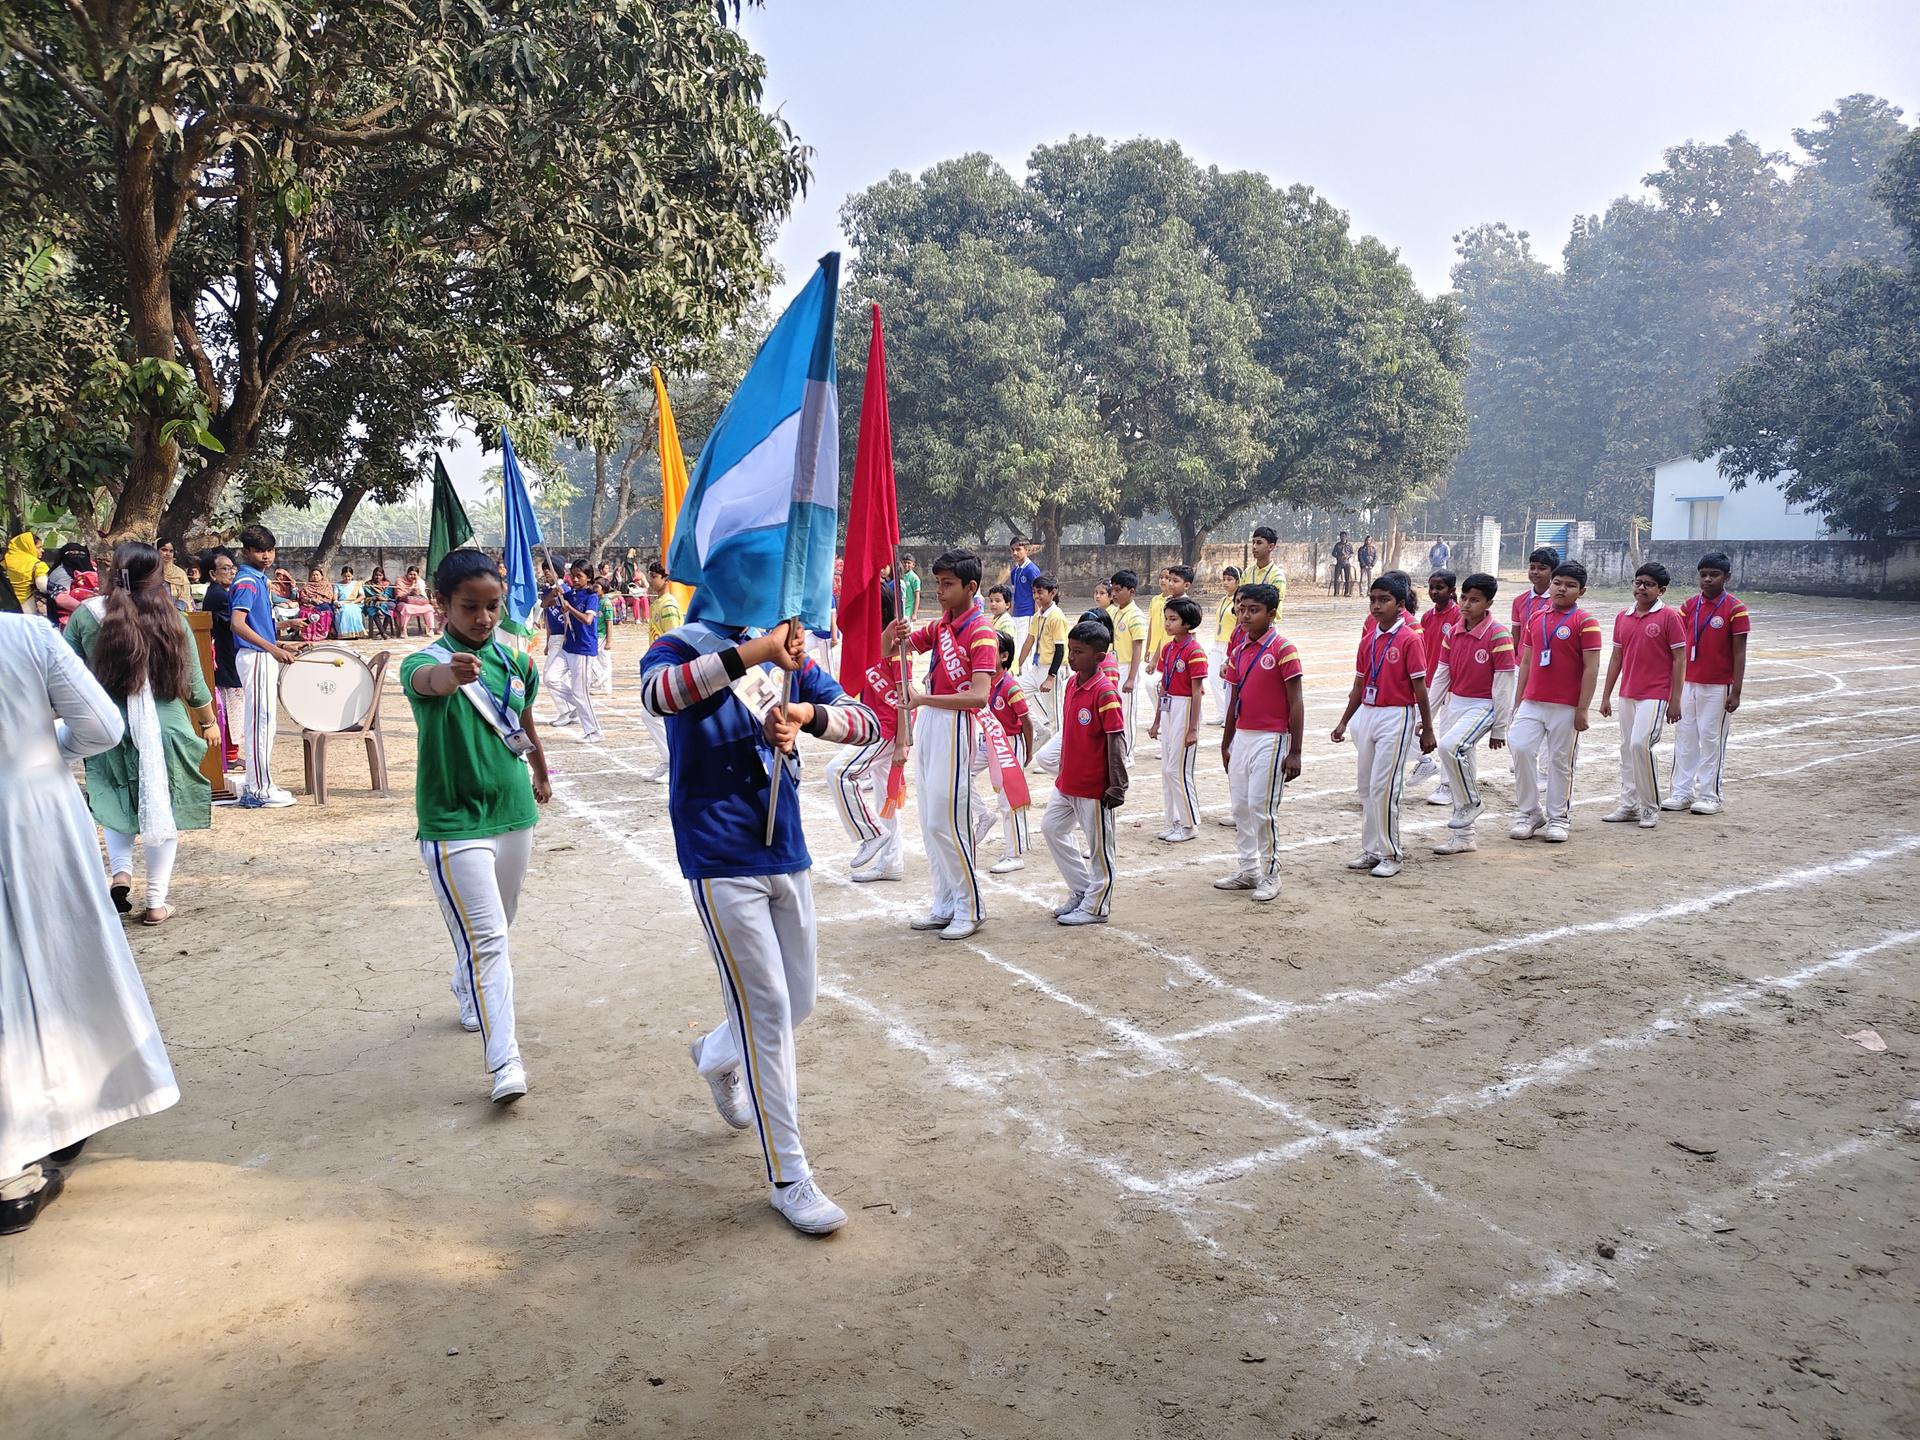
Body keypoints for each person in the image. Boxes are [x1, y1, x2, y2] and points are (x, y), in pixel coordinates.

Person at [640, 603, 880, 1237]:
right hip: (719, 853)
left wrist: (805, 715)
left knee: (798, 1000)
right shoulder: (679, 646)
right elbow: (660, 695)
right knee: (769, 1010)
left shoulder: (789, 653)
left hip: (785, 845)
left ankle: (718, 1052)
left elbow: (866, 722)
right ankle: (788, 1176)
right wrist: (758, 653)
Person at [0, 606, 178, 1236]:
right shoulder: (25, 634)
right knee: (59, 959)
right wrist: (44, 746)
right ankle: (52, 1127)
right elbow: (101, 725)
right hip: (33, 811)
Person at [402, 549, 553, 1106]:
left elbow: (524, 718)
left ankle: (464, 982)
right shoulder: (422, 662)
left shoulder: (516, 663)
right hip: (453, 824)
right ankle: (506, 1062)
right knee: (488, 940)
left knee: (498, 925)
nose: (484, 618)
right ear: (442, 604)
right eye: (470, 606)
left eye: (493, 606)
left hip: (514, 813)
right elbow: (430, 682)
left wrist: (540, 770)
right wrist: (451, 675)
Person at [66, 541, 218, 925]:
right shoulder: (173, 618)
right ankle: (155, 902)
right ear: (157, 576)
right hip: (168, 729)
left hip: (109, 727)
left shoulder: (87, 616)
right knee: (162, 806)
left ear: (114, 571)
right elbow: (194, 683)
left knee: (118, 802)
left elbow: (67, 673)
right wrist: (209, 722)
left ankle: (121, 873)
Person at [891, 549, 996, 941]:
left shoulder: (981, 631)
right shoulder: (941, 626)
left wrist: (923, 699)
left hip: (955, 724)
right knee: (929, 821)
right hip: (931, 721)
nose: (939, 590)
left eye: (947, 584)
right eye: (937, 582)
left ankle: (970, 907)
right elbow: (889, 650)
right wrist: (894, 630)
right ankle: (945, 903)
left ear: (971, 587)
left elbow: (979, 696)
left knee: (946, 821)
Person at [1330, 573, 1437, 877]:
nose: (1376, 606)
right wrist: (1344, 721)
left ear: (1400, 605)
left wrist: (1427, 727)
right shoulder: (1368, 641)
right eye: (1372, 600)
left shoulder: (1410, 639)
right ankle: (1371, 849)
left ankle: (1391, 853)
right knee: (1366, 786)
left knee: (1384, 787)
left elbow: (1419, 688)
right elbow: (1359, 685)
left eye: (1384, 600)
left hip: (1396, 715)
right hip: (1369, 712)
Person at [1215, 583, 1303, 899]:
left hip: (1272, 737)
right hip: (1243, 736)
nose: (1245, 615)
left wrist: (1295, 751)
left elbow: (1296, 701)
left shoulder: (1283, 649)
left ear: (1271, 613)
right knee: (1240, 806)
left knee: (1261, 807)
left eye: (1254, 610)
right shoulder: (1238, 651)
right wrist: (1226, 741)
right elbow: (1233, 700)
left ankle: (1270, 873)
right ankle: (1248, 869)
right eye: (1242, 609)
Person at [1507, 561, 1603, 844]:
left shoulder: (1585, 622)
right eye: (1558, 583)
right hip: (1533, 701)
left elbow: (1591, 668)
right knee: (1520, 747)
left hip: (1566, 705)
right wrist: (1518, 700)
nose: (1562, 589)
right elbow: (1526, 660)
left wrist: (1582, 709)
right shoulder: (1536, 617)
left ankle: (1559, 818)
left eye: (1570, 585)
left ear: (1581, 591)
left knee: (1560, 761)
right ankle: (1529, 812)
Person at [1042, 619, 1129, 926]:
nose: (1072, 657)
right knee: (1052, 828)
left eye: (1079, 652)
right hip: (1068, 780)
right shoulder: (1072, 684)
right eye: (1071, 650)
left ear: (1099, 656)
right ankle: (1081, 890)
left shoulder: (1105, 692)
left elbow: (1115, 739)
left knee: (1100, 849)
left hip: (1094, 785)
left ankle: (1096, 907)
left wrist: (1117, 784)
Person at [1428, 574, 1516, 857]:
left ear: (1489, 603)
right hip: (1455, 704)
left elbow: (1504, 684)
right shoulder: (1453, 632)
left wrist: (1500, 726)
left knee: (1449, 747)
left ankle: (1473, 802)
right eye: (1464, 598)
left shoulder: (1499, 635)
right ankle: (1464, 837)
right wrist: (1425, 717)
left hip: (1483, 705)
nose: (1466, 605)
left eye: (1475, 600)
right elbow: (1441, 676)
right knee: (1460, 767)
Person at [1599, 563, 1687, 829]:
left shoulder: (1669, 617)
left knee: (1640, 745)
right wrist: (1606, 695)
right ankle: (1629, 805)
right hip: (1628, 692)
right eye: (1638, 583)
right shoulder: (1623, 617)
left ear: (1661, 590)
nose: (1641, 588)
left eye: (1649, 584)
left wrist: (1675, 699)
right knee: (1627, 748)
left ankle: (1649, 806)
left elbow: (1679, 659)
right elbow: (1616, 658)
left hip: (1656, 693)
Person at [1665, 552, 1751, 817]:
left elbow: (1739, 652)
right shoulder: (1689, 606)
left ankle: (1709, 795)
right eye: (1703, 575)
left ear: (1727, 577)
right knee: (1685, 736)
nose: (1708, 579)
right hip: (1688, 682)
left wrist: (1736, 691)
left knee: (1711, 738)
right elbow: (1677, 646)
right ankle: (1681, 791)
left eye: (1714, 575)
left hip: (1718, 685)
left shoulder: (1735, 609)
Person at [831, 586, 907, 883]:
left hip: (887, 729)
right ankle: (891, 863)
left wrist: (901, 744)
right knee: (885, 799)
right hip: (875, 724)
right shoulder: (870, 643)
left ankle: (870, 832)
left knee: (838, 771)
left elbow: (904, 697)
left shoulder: (897, 646)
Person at [228, 525, 300, 808]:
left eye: (270, 550)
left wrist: (281, 642)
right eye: (259, 551)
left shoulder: (258, 579)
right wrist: (272, 649)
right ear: (245, 551)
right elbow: (237, 624)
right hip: (255, 657)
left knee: (265, 723)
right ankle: (259, 789)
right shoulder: (247, 581)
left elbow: (257, 624)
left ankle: (260, 783)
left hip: (261, 655)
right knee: (260, 723)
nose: (266, 556)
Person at [971, 632, 1035, 875]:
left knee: (1009, 801)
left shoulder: (1010, 686)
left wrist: (1027, 751)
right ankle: (984, 815)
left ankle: (1014, 854)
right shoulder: (983, 680)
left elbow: (1026, 721)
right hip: (988, 740)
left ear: (1004, 656)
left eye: (992, 651)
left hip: (1009, 743)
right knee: (961, 775)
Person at [1147, 595, 1207, 844]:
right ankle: (1173, 820)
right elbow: (1164, 686)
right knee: (1166, 770)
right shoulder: (1168, 649)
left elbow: (1196, 692)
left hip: (1185, 707)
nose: (1167, 624)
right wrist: (1157, 721)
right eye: (1166, 618)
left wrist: (1192, 728)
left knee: (1178, 769)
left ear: (1187, 623)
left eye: (1173, 619)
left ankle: (1189, 824)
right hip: (1170, 706)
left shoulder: (1195, 651)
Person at [1410, 569, 1462, 798]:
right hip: (1428, 682)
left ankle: (1448, 785)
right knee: (1413, 725)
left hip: (1450, 685)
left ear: (1451, 591)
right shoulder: (1427, 617)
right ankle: (1425, 761)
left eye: (1439, 588)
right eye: (1431, 587)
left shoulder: (1458, 616)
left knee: (1448, 734)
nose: (1433, 592)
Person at [546, 562, 603, 742]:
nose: (576, 579)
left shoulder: (591, 596)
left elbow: (588, 619)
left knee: (580, 692)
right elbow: (545, 605)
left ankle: (594, 731)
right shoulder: (570, 594)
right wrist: (554, 594)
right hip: (568, 646)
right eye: (573, 576)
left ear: (588, 577)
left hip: (583, 648)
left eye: (580, 576)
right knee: (550, 678)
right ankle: (580, 703)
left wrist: (570, 608)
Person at [638, 560, 683, 781]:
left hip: (668, 666)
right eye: (650, 575)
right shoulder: (657, 603)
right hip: (658, 663)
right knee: (651, 715)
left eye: (655, 576)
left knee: (654, 714)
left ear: (666, 578)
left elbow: (674, 637)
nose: (651, 580)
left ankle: (672, 761)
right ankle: (669, 760)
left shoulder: (669, 606)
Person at [200, 549, 243, 772]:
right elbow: (237, 624)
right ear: (212, 573)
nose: (231, 572)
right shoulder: (219, 595)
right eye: (225, 568)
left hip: (226, 654)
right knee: (230, 706)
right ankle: (230, 755)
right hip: (226, 657)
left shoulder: (220, 592)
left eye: (232, 568)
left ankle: (231, 753)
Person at [1017, 574, 1069, 734]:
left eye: (1040, 592)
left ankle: (1060, 746)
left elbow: (1060, 648)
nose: (1036, 596)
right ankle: (1041, 730)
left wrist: (1051, 677)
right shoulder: (1037, 616)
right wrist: (1017, 666)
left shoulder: (1056, 616)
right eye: (1034, 592)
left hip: (1051, 669)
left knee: (1055, 716)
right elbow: (1029, 641)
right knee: (1015, 693)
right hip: (1037, 667)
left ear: (1052, 593)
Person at [1106, 570, 1148, 763]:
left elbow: (1137, 646)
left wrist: (1131, 677)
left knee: (1126, 711)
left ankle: (1128, 753)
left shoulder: (1135, 615)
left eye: (1118, 590)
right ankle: (1115, 750)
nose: (1114, 594)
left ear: (1131, 591)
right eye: (1113, 590)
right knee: (1114, 709)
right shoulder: (1114, 612)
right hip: (1113, 666)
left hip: (1126, 666)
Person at [1208, 566, 1241, 727]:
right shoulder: (1223, 600)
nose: (1226, 583)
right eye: (1224, 579)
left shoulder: (1238, 602)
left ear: (1238, 581)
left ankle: (1230, 714)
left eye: (1230, 579)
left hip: (1229, 643)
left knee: (1228, 680)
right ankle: (1222, 712)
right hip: (1217, 642)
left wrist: (1234, 645)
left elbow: (1238, 625)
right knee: (1213, 677)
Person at [1006, 538, 1041, 660]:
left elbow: (1037, 596)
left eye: (1018, 549)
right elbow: (1014, 594)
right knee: (1015, 647)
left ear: (1027, 550)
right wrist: (1009, 615)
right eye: (1012, 550)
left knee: (1024, 649)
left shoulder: (1032, 570)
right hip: (1016, 615)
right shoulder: (1014, 571)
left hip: (1028, 615)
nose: (1014, 553)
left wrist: (1037, 617)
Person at [1245, 526, 1286, 618]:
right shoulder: (1247, 573)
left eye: (1259, 543)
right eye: (1253, 542)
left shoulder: (1277, 577)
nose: (1254, 546)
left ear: (1270, 547)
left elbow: (1273, 606)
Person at [6, 531, 49, 616]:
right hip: (27, 608)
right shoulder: (38, 565)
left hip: (5, 606)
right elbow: (42, 585)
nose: (42, 550)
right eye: (39, 547)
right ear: (29, 547)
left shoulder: (5, 562)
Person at [394, 566, 438, 637]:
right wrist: (410, 591)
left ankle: (430, 630)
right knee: (406, 608)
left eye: (414, 575)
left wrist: (417, 589)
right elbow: (399, 595)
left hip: (417, 602)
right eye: (410, 574)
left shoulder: (419, 581)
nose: (412, 576)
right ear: (407, 573)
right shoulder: (400, 581)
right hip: (403, 602)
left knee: (429, 607)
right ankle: (403, 630)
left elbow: (423, 594)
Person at [297, 566, 335, 641]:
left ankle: (321, 634)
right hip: (309, 603)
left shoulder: (327, 585)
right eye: (313, 575)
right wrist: (311, 600)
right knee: (305, 612)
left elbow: (329, 597)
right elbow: (302, 597)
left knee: (326, 612)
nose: (315, 577)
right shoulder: (306, 586)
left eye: (317, 575)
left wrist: (320, 600)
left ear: (321, 576)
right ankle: (307, 634)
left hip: (322, 603)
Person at [157, 540, 192, 611]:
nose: (168, 554)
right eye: (164, 550)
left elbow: (185, 595)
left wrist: (175, 610)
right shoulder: (150, 572)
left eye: (171, 551)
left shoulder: (180, 574)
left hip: (177, 613)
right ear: (156, 551)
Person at [334, 565, 366, 639]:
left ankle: (356, 633)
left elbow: (362, 596)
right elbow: (335, 597)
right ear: (342, 575)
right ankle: (344, 633)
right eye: (345, 576)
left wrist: (353, 602)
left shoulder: (356, 584)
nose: (347, 578)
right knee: (344, 610)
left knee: (352, 609)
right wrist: (336, 602)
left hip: (354, 603)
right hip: (342, 603)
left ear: (352, 576)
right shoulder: (337, 585)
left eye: (349, 576)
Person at [364, 566, 396, 640]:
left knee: (388, 610)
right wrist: (376, 597)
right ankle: (383, 633)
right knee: (373, 610)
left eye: (380, 575)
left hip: (385, 602)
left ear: (383, 575)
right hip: (372, 602)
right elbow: (367, 595)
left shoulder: (387, 584)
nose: (378, 577)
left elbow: (388, 594)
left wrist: (382, 598)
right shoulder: (368, 584)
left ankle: (381, 632)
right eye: (376, 575)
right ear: (373, 575)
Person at [1331, 531, 1355, 597]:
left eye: (1344, 536)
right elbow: (1333, 553)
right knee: (1336, 578)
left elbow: (1352, 553)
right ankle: (1336, 592)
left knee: (1347, 578)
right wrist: (1337, 556)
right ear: (1340, 537)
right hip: (1339, 563)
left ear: (1346, 537)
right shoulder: (1337, 545)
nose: (1343, 538)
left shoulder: (1349, 545)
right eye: (1341, 536)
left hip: (1346, 563)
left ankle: (1346, 593)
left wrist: (1348, 556)